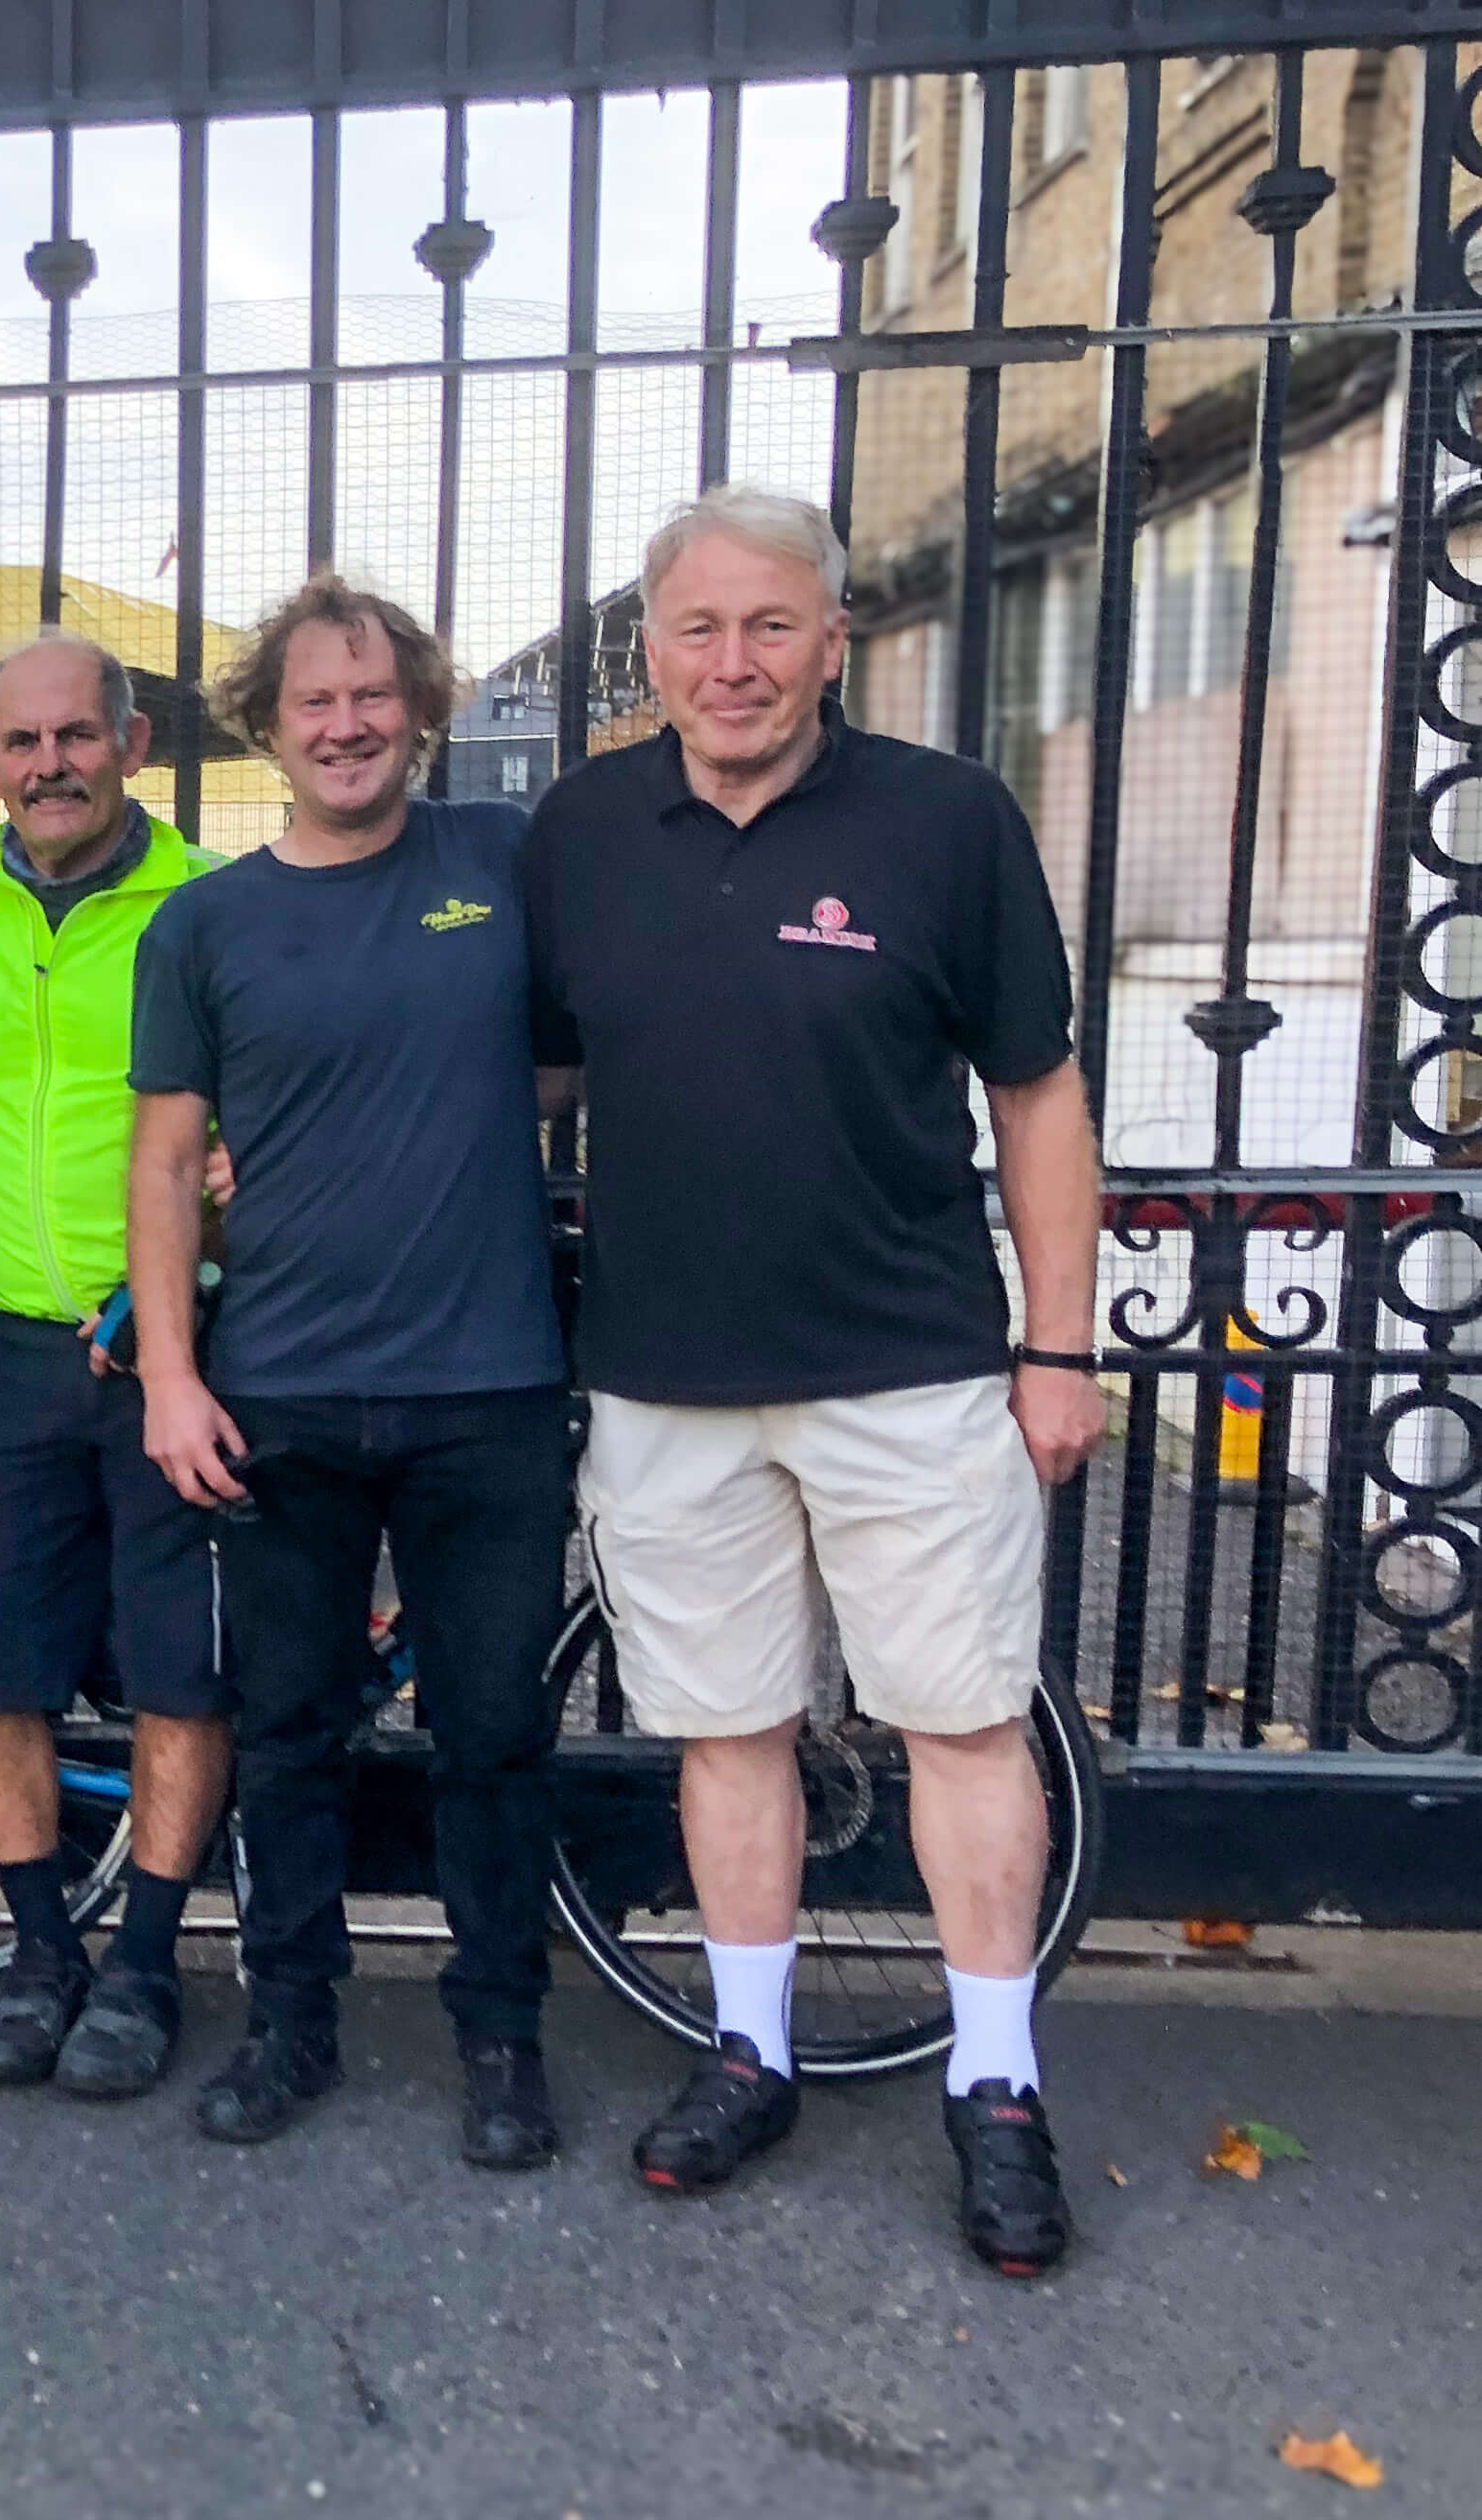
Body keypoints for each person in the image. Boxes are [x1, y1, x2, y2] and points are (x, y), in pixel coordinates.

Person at [523, 486, 1104, 2274]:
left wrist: (1058, 1344)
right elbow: (532, 1084)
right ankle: (748, 2050)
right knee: (725, 1730)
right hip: (664, 1376)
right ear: (649, 648)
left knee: (958, 1722)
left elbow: (1034, 1098)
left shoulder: (944, 820)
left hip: (908, 1367)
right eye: (695, 629)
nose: (732, 663)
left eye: (770, 626)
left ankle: (994, 2086)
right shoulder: (581, 831)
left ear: (833, 637)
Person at [129, 577, 573, 2165]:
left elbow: (576, 1047)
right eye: (312, 701)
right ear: (266, 725)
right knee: (288, 1731)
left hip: (489, 1386)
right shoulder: (205, 923)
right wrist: (172, 1378)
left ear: (420, 706)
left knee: (490, 1733)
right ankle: (291, 2024)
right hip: (283, 1392)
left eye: (372, 695)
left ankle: (502, 2037)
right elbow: (165, 1160)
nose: (345, 724)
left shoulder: (502, 864)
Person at [0, 631, 233, 2096]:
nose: (48, 766)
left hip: (174, 1345)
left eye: (76, 737)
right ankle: (42, 1958)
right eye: (19, 742)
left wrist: (199, 1265)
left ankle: (149, 1968)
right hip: (15, 1350)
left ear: (133, 741)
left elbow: (271, 1131)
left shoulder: (214, 907)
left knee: (182, 1671)